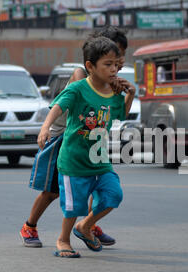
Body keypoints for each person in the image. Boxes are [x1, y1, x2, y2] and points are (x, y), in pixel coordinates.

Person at [20, 26, 129, 248]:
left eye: (120, 56)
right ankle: (30, 226)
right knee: (52, 191)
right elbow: (64, 106)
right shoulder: (83, 75)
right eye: (114, 55)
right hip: (63, 137)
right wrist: (45, 128)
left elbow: (116, 111)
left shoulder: (110, 80)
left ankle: (89, 225)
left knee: (96, 183)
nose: (119, 61)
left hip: (89, 141)